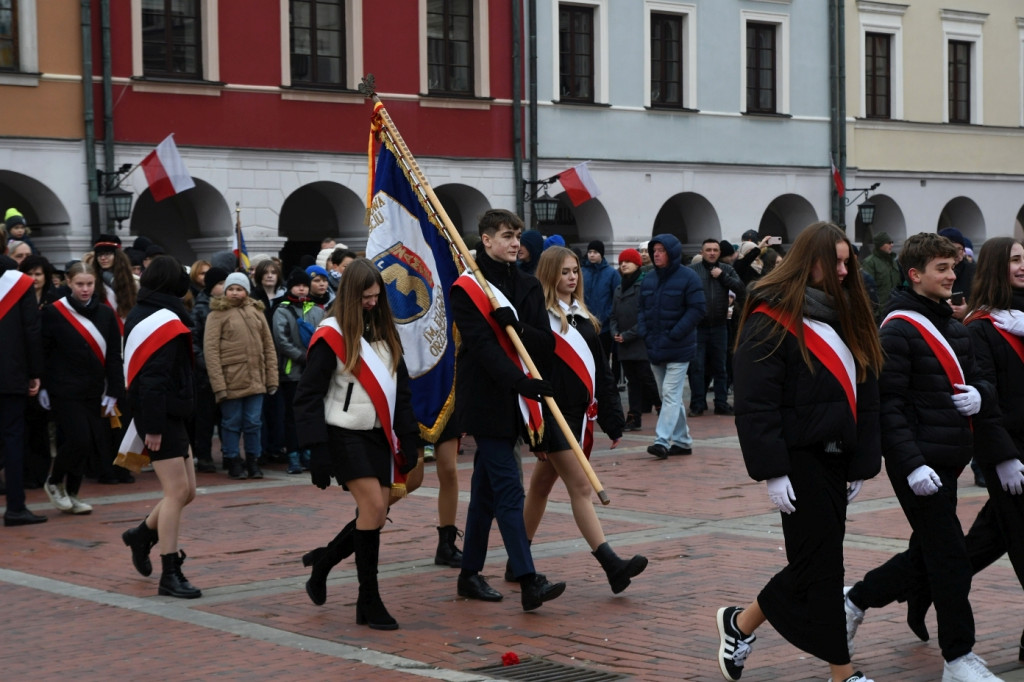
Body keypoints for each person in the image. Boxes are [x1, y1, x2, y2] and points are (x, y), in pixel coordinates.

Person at [716, 221, 884, 682]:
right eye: (838, 262)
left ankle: (741, 622)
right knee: (825, 568)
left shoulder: (848, 311)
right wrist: (773, 470)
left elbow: (866, 389)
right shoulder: (769, 315)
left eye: (848, 262)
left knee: (815, 564)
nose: (847, 271)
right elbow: (755, 401)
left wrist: (861, 461)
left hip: (837, 458)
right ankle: (842, 674)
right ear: (810, 262)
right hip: (799, 459)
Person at [843, 232, 1002, 682]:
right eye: (942, 269)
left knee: (930, 555)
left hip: (949, 460)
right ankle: (958, 657)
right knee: (951, 559)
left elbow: (981, 381)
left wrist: (981, 396)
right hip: (919, 465)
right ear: (915, 275)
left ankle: (854, 599)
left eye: (953, 267)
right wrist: (911, 465)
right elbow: (887, 405)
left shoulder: (954, 326)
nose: (953, 276)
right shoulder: (897, 329)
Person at [900, 238, 1024, 652]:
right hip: (1003, 452)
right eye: (1015, 260)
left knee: (969, 549)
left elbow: (984, 388)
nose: (1023, 266)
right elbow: (984, 400)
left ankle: (913, 589)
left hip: (1006, 451)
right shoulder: (978, 326)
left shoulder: (1004, 319)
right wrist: (1002, 456)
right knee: (982, 550)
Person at [449, 208, 566, 611]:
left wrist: (513, 322)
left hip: (520, 398)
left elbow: (544, 344)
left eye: (517, 235)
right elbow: (481, 349)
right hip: (487, 400)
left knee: (484, 494)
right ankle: (528, 579)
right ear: (485, 240)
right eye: (505, 235)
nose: (515, 242)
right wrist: (519, 381)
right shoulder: (467, 288)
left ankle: (469, 574)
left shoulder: (529, 286)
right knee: (509, 490)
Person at [292, 258, 420, 629]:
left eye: (377, 296)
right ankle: (369, 599)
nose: (372, 302)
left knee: (375, 515)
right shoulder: (331, 335)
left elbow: (403, 391)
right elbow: (307, 395)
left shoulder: (385, 330)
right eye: (366, 296)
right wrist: (316, 448)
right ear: (350, 295)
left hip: (380, 434)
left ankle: (323, 565)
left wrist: (409, 437)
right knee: (374, 508)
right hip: (344, 432)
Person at [518, 246, 645, 593]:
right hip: (553, 414)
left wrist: (612, 416)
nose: (572, 277)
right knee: (582, 487)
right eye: (564, 272)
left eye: (575, 271)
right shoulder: (538, 318)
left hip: (580, 415)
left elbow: (601, 371)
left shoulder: (584, 315)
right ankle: (612, 565)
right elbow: (530, 371)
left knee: (540, 487)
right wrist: (536, 429)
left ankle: (519, 559)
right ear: (549, 274)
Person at [119, 256, 201, 598]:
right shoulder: (162, 320)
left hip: (171, 412)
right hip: (161, 416)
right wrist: (152, 427)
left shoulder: (150, 311)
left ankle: (141, 535)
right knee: (176, 493)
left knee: (188, 491)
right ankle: (170, 571)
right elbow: (152, 380)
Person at [39, 262, 124, 515]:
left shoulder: (106, 314)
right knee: (78, 438)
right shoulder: (54, 312)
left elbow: (113, 356)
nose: (85, 289)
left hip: (94, 388)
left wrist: (114, 389)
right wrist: (42, 384)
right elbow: (43, 351)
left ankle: (73, 493)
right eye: (79, 284)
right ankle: (54, 482)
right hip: (63, 388)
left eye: (89, 284)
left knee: (88, 444)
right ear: (68, 282)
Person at [637, 234, 705, 460]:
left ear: (672, 253)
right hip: (655, 346)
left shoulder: (689, 277)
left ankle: (662, 441)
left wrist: (675, 334)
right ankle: (683, 441)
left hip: (679, 346)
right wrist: (645, 333)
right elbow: (642, 310)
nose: (656, 254)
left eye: (661, 250)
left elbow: (697, 310)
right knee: (669, 396)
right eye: (654, 250)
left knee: (670, 393)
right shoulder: (648, 279)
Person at [204, 272, 278, 479]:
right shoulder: (216, 315)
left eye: (239, 289)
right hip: (231, 379)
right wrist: (218, 384)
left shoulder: (256, 311)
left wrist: (271, 378)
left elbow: (268, 346)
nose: (235, 293)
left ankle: (253, 460)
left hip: (256, 379)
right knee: (231, 422)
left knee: (254, 423)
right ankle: (233, 459)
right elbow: (211, 351)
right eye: (231, 289)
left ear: (246, 291)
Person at [1, 248, 46, 526]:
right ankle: (16, 507)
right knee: (13, 439)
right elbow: (32, 330)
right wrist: (35, 373)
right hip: (11, 374)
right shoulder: (19, 283)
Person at [272, 268, 324, 474]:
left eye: (304, 285)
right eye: (297, 285)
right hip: (291, 372)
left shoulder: (318, 310)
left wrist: (317, 359)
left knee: (311, 415)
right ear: (290, 287)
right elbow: (282, 341)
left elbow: (323, 335)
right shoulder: (282, 310)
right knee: (292, 417)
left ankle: (309, 454)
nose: (301, 288)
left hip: (313, 372)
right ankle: (293, 455)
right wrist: (304, 357)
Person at [688, 238, 744, 417]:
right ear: (702, 252)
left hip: (720, 325)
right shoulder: (692, 271)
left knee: (720, 367)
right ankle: (697, 403)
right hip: (698, 327)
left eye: (715, 250)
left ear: (719, 253)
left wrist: (722, 276)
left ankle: (721, 402)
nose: (712, 253)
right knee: (697, 367)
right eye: (708, 250)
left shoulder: (727, 269)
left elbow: (741, 289)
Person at [610, 248, 660, 430]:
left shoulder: (644, 285)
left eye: (628, 262)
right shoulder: (618, 288)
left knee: (647, 378)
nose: (623, 264)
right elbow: (613, 315)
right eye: (622, 262)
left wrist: (627, 335)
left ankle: (661, 408)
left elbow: (647, 316)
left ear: (638, 264)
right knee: (632, 381)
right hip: (623, 344)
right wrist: (615, 332)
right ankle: (633, 417)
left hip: (640, 342)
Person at [189, 266, 228, 474]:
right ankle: (203, 455)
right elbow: (194, 341)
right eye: (221, 284)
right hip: (205, 374)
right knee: (205, 418)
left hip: (228, 371)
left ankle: (228, 453)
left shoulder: (229, 307)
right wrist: (207, 364)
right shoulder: (201, 308)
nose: (224, 288)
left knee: (227, 418)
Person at [581, 240, 621, 365]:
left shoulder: (611, 274)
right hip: (585, 323)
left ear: (602, 254)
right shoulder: (582, 272)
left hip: (605, 326)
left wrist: (607, 315)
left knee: (602, 360)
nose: (592, 255)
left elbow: (617, 297)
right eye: (590, 252)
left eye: (595, 252)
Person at [91, 233, 138, 334]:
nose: (103, 258)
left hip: (127, 330)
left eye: (107, 254)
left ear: (117, 256)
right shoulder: (92, 281)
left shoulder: (134, 281)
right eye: (99, 255)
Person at [860, 232, 901, 322]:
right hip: (879, 313)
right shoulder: (870, 263)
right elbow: (867, 288)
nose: (892, 245)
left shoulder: (893, 261)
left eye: (892, 242)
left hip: (894, 309)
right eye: (889, 243)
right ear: (880, 244)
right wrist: (875, 311)